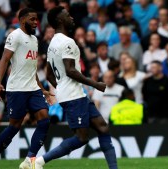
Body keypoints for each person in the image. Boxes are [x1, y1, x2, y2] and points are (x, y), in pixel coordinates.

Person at [34, 6, 118, 169]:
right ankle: (39, 161)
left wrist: (61, 89)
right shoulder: (67, 42)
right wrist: (96, 84)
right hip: (73, 96)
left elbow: (49, 74)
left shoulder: (52, 44)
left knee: (102, 127)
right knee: (81, 138)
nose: (71, 17)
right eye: (67, 15)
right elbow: (70, 70)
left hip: (73, 94)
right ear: (60, 20)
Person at [0, 8, 52, 169]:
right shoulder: (14, 36)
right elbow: (4, 60)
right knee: (14, 127)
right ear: (22, 20)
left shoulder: (35, 40)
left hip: (33, 88)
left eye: (37, 19)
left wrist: (42, 88)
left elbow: (32, 68)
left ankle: (29, 160)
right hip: (17, 89)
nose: (36, 22)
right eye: (32, 19)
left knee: (44, 120)